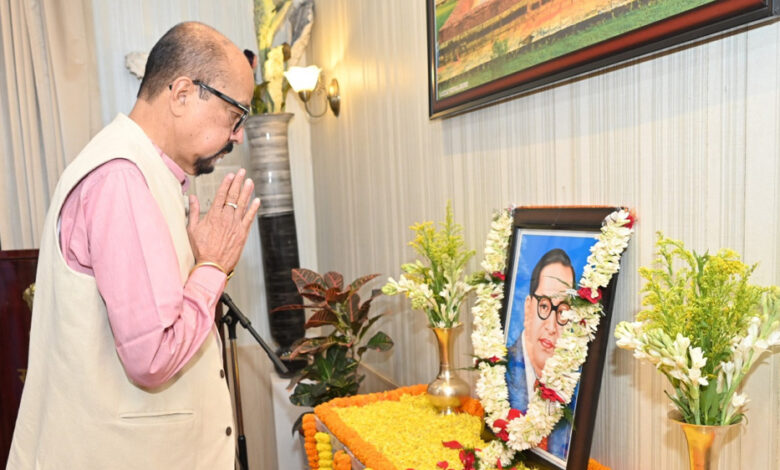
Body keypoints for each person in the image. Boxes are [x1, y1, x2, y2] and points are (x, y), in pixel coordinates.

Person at [8, 22, 259, 469]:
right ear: (183, 94)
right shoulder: (121, 179)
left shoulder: (141, 172)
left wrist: (197, 261)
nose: (238, 134)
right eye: (235, 113)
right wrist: (213, 266)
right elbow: (153, 356)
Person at [506, 248, 576, 461]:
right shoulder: (499, 370)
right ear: (528, 308)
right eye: (544, 306)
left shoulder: (573, 384)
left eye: (563, 312)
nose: (552, 327)